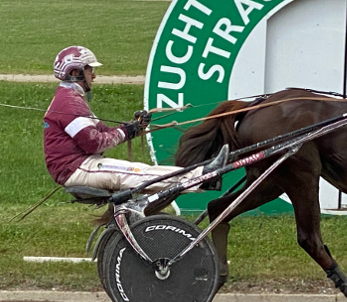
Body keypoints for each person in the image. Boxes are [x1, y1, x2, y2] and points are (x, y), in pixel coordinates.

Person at [43, 45, 227, 193]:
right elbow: (94, 143)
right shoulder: (68, 102)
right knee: (136, 173)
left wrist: (134, 127)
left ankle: (201, 175)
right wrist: (127, 131)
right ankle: (202, 177)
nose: (94, 75)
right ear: (75, 73)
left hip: (78, 165)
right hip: (74, 168)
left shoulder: (70, 98)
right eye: (90, 70)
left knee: (139, 170)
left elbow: (104, 132)